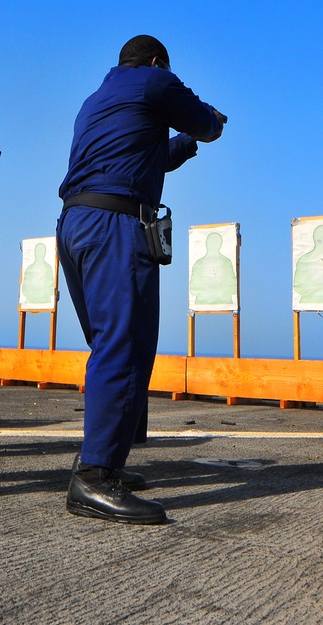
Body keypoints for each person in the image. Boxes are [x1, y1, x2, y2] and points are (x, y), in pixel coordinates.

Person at [57, 35, 227, 524]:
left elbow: (147, 158)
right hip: (115, 226)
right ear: (156, 62)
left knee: (108, 344)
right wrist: (211, 122)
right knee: (125, 346)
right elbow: (205, 122)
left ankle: (105, 455)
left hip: (76, 223)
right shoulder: (156, 80)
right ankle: (94, 479)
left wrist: (186, 146)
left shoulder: (97, 101)